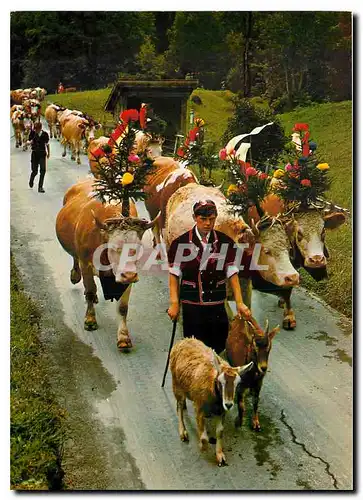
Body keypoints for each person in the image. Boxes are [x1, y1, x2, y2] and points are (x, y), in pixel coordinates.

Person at [167, 200, 252, 354]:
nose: (208, 223)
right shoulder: (180, 244)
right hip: (192, 304)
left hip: (217, 304)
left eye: (212, 219)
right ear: (195, 217)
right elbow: (174, 276)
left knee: (219, 347)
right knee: (195, 349)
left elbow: (232, 274)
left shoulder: (225, 242)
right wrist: (174, 303)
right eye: (203, 219)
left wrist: (239, 302)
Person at [28, 121, 50, 193]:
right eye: (35, 129)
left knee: (43, 170)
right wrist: (29, 142)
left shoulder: (45, 134)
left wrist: (48, 153)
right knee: (35, 171)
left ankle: (40, 187)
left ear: (40, 128)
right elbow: (28, 141)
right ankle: (31, 179)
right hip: (34, 154)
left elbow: (47, 144)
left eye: (37, 129)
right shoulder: (32, 133)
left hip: (42, 154)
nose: (36, 130)